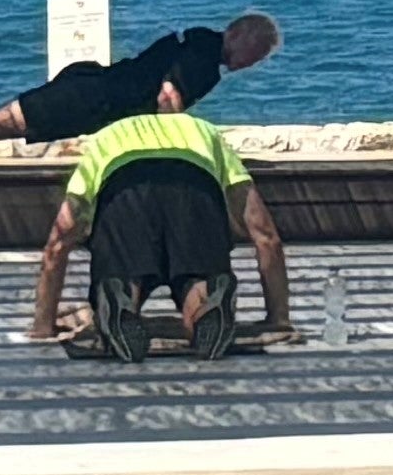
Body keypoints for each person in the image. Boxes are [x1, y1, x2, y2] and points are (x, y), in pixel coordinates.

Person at [33, 98, 294, 360]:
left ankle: (120, 303)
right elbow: (265, 235)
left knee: (126, 279)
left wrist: (43, 325)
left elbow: (59, 241)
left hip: (125, 194)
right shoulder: (202, 130)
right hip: (194, 191)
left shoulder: (109, 135)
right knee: (195, 282)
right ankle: (206, 306)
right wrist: (278, 318)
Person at [0, 11, 282, 168]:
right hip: (91, 97)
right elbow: (167, 98)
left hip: (92, 91)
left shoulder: (199, 43)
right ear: (240, 34)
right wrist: (182, 147)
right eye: (257, 52)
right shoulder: (205, 59)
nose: (255, 63)